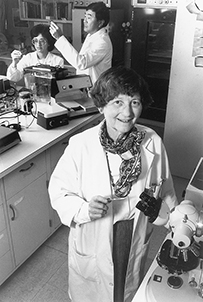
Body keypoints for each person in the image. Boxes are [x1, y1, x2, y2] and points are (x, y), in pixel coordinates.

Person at [48, 65, 178, 302]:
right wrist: (84, 210)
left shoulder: (153, 143)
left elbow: (167, 192)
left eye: (134, 102)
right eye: (117, 102)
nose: (127, 112)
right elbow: (58, 192)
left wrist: (162, 213)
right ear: (101, 106)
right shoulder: (81, 145)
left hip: (131, 235)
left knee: (123, 292)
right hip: (94, 233)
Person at [49, 1, 112, 84]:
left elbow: (81, 63)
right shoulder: (91, 35)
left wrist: (60, 38)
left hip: (96, 89)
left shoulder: (102, 42)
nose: (84, 20)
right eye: (85, 16)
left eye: (89, 18)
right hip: (85, 85)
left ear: (100, 22)